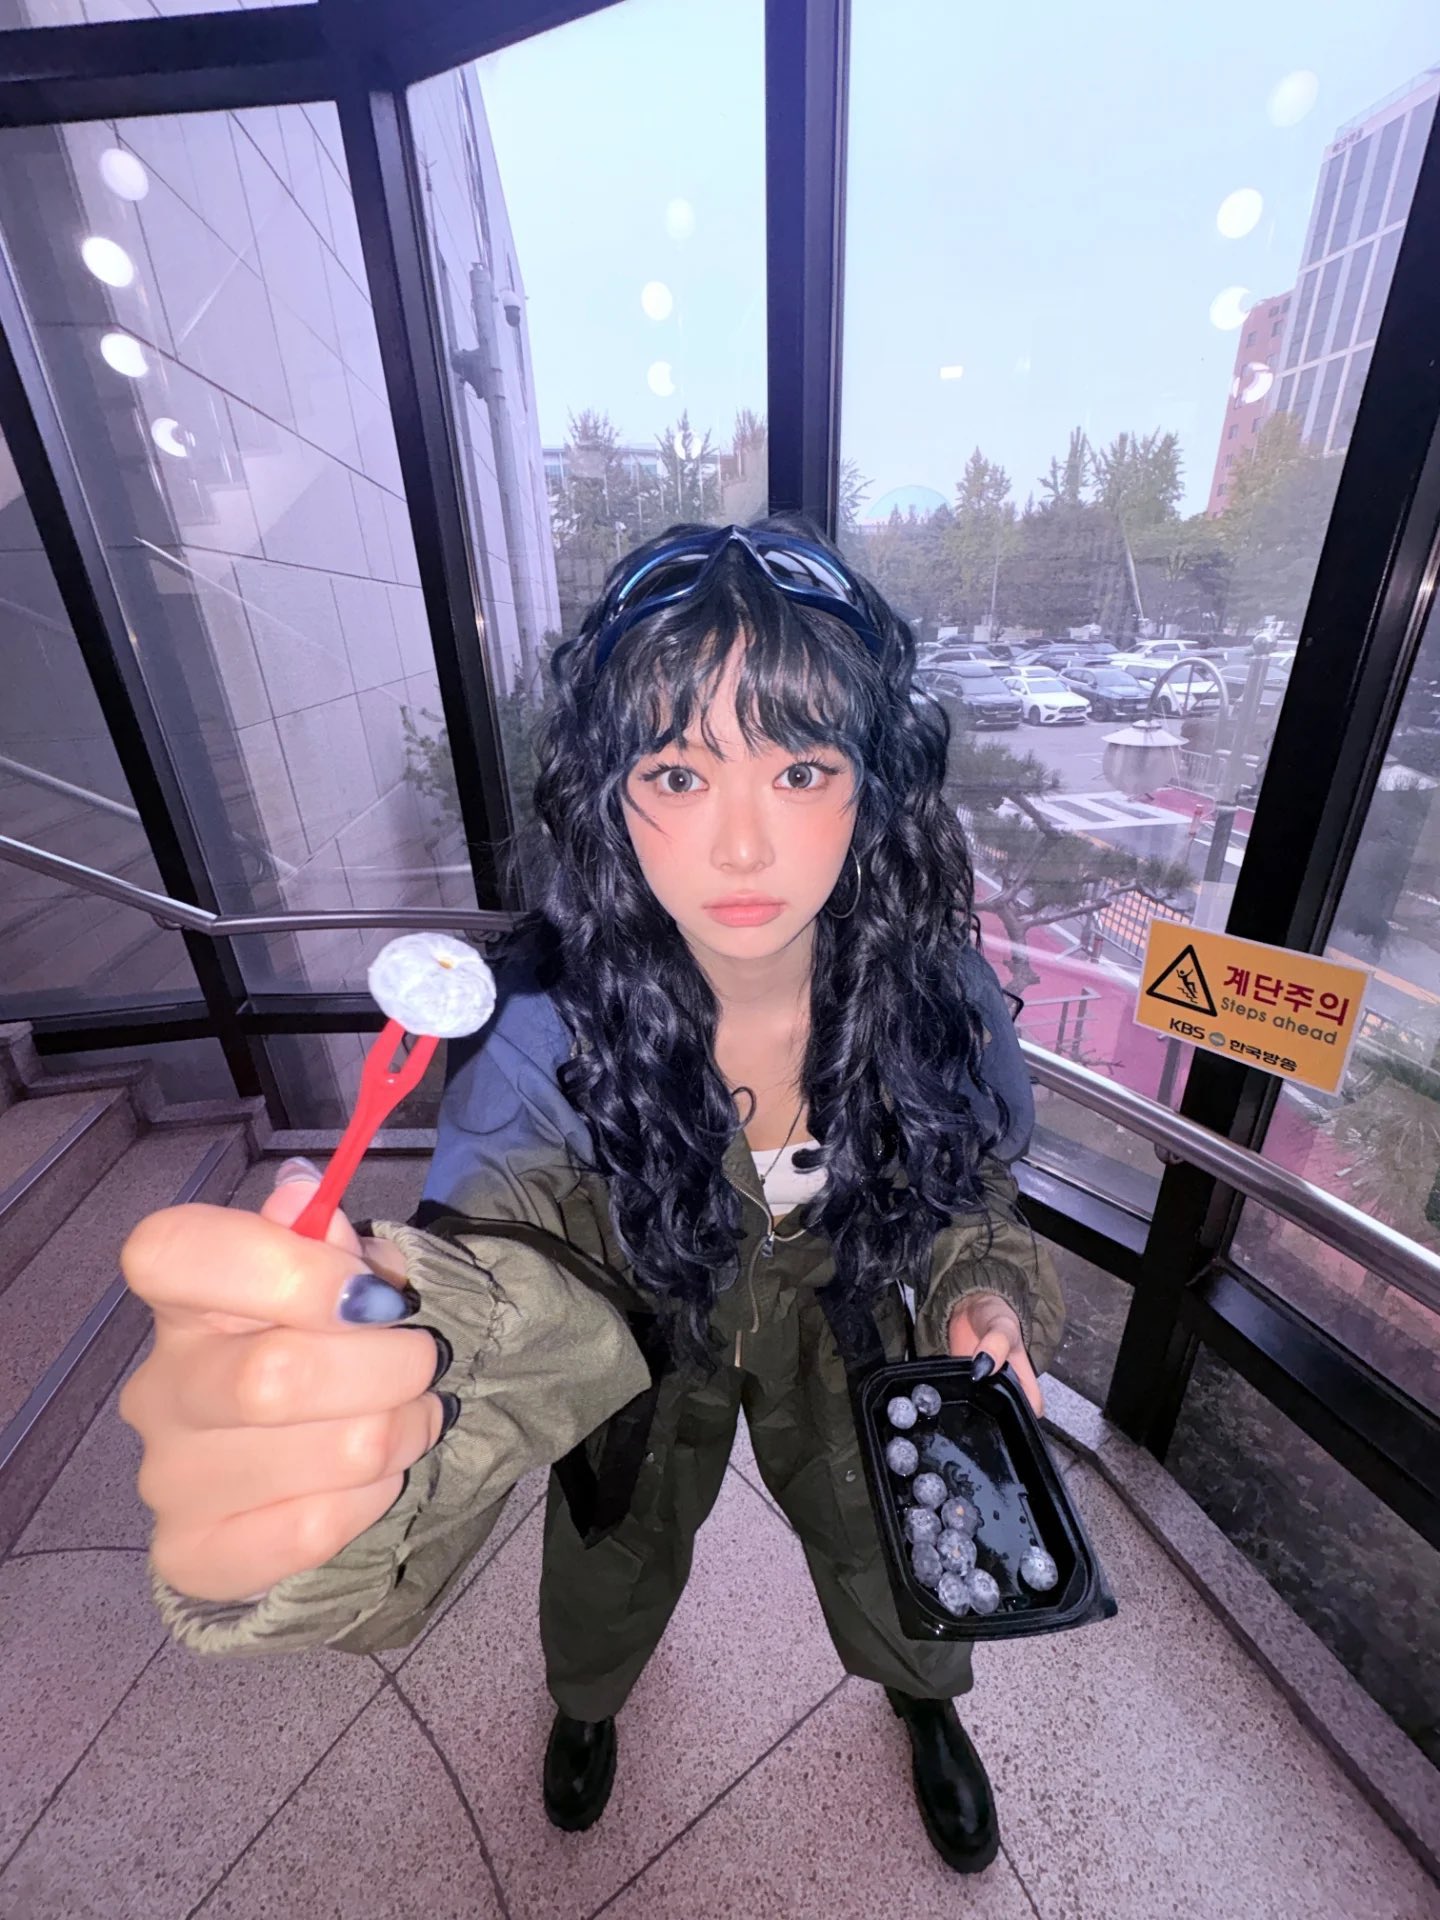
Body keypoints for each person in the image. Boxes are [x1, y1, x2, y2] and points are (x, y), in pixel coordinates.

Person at [119, 517, 1064, 1877]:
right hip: (646, 1325)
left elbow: (972, 1189)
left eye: (800, 769)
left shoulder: (933, 995)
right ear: (612, 796)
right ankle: (587, 1703)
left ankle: (924, 1697)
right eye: (679, 771)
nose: (744, 846)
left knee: (886, 1526)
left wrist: (983, 1293)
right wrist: (371, 1379)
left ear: (872, 787)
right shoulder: (545, 1025)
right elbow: (498, 1257)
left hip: (845, 1320)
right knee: (614, 1544)